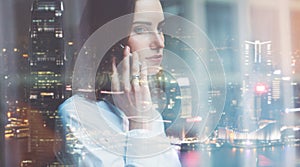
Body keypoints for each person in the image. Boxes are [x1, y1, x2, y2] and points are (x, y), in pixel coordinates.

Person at [58, 0, 182, 166]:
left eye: (159, 28)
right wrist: (138, 125)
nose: (160, 42)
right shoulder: (77, 114)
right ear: (111, 39)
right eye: (140, 29)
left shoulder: (151, 114)